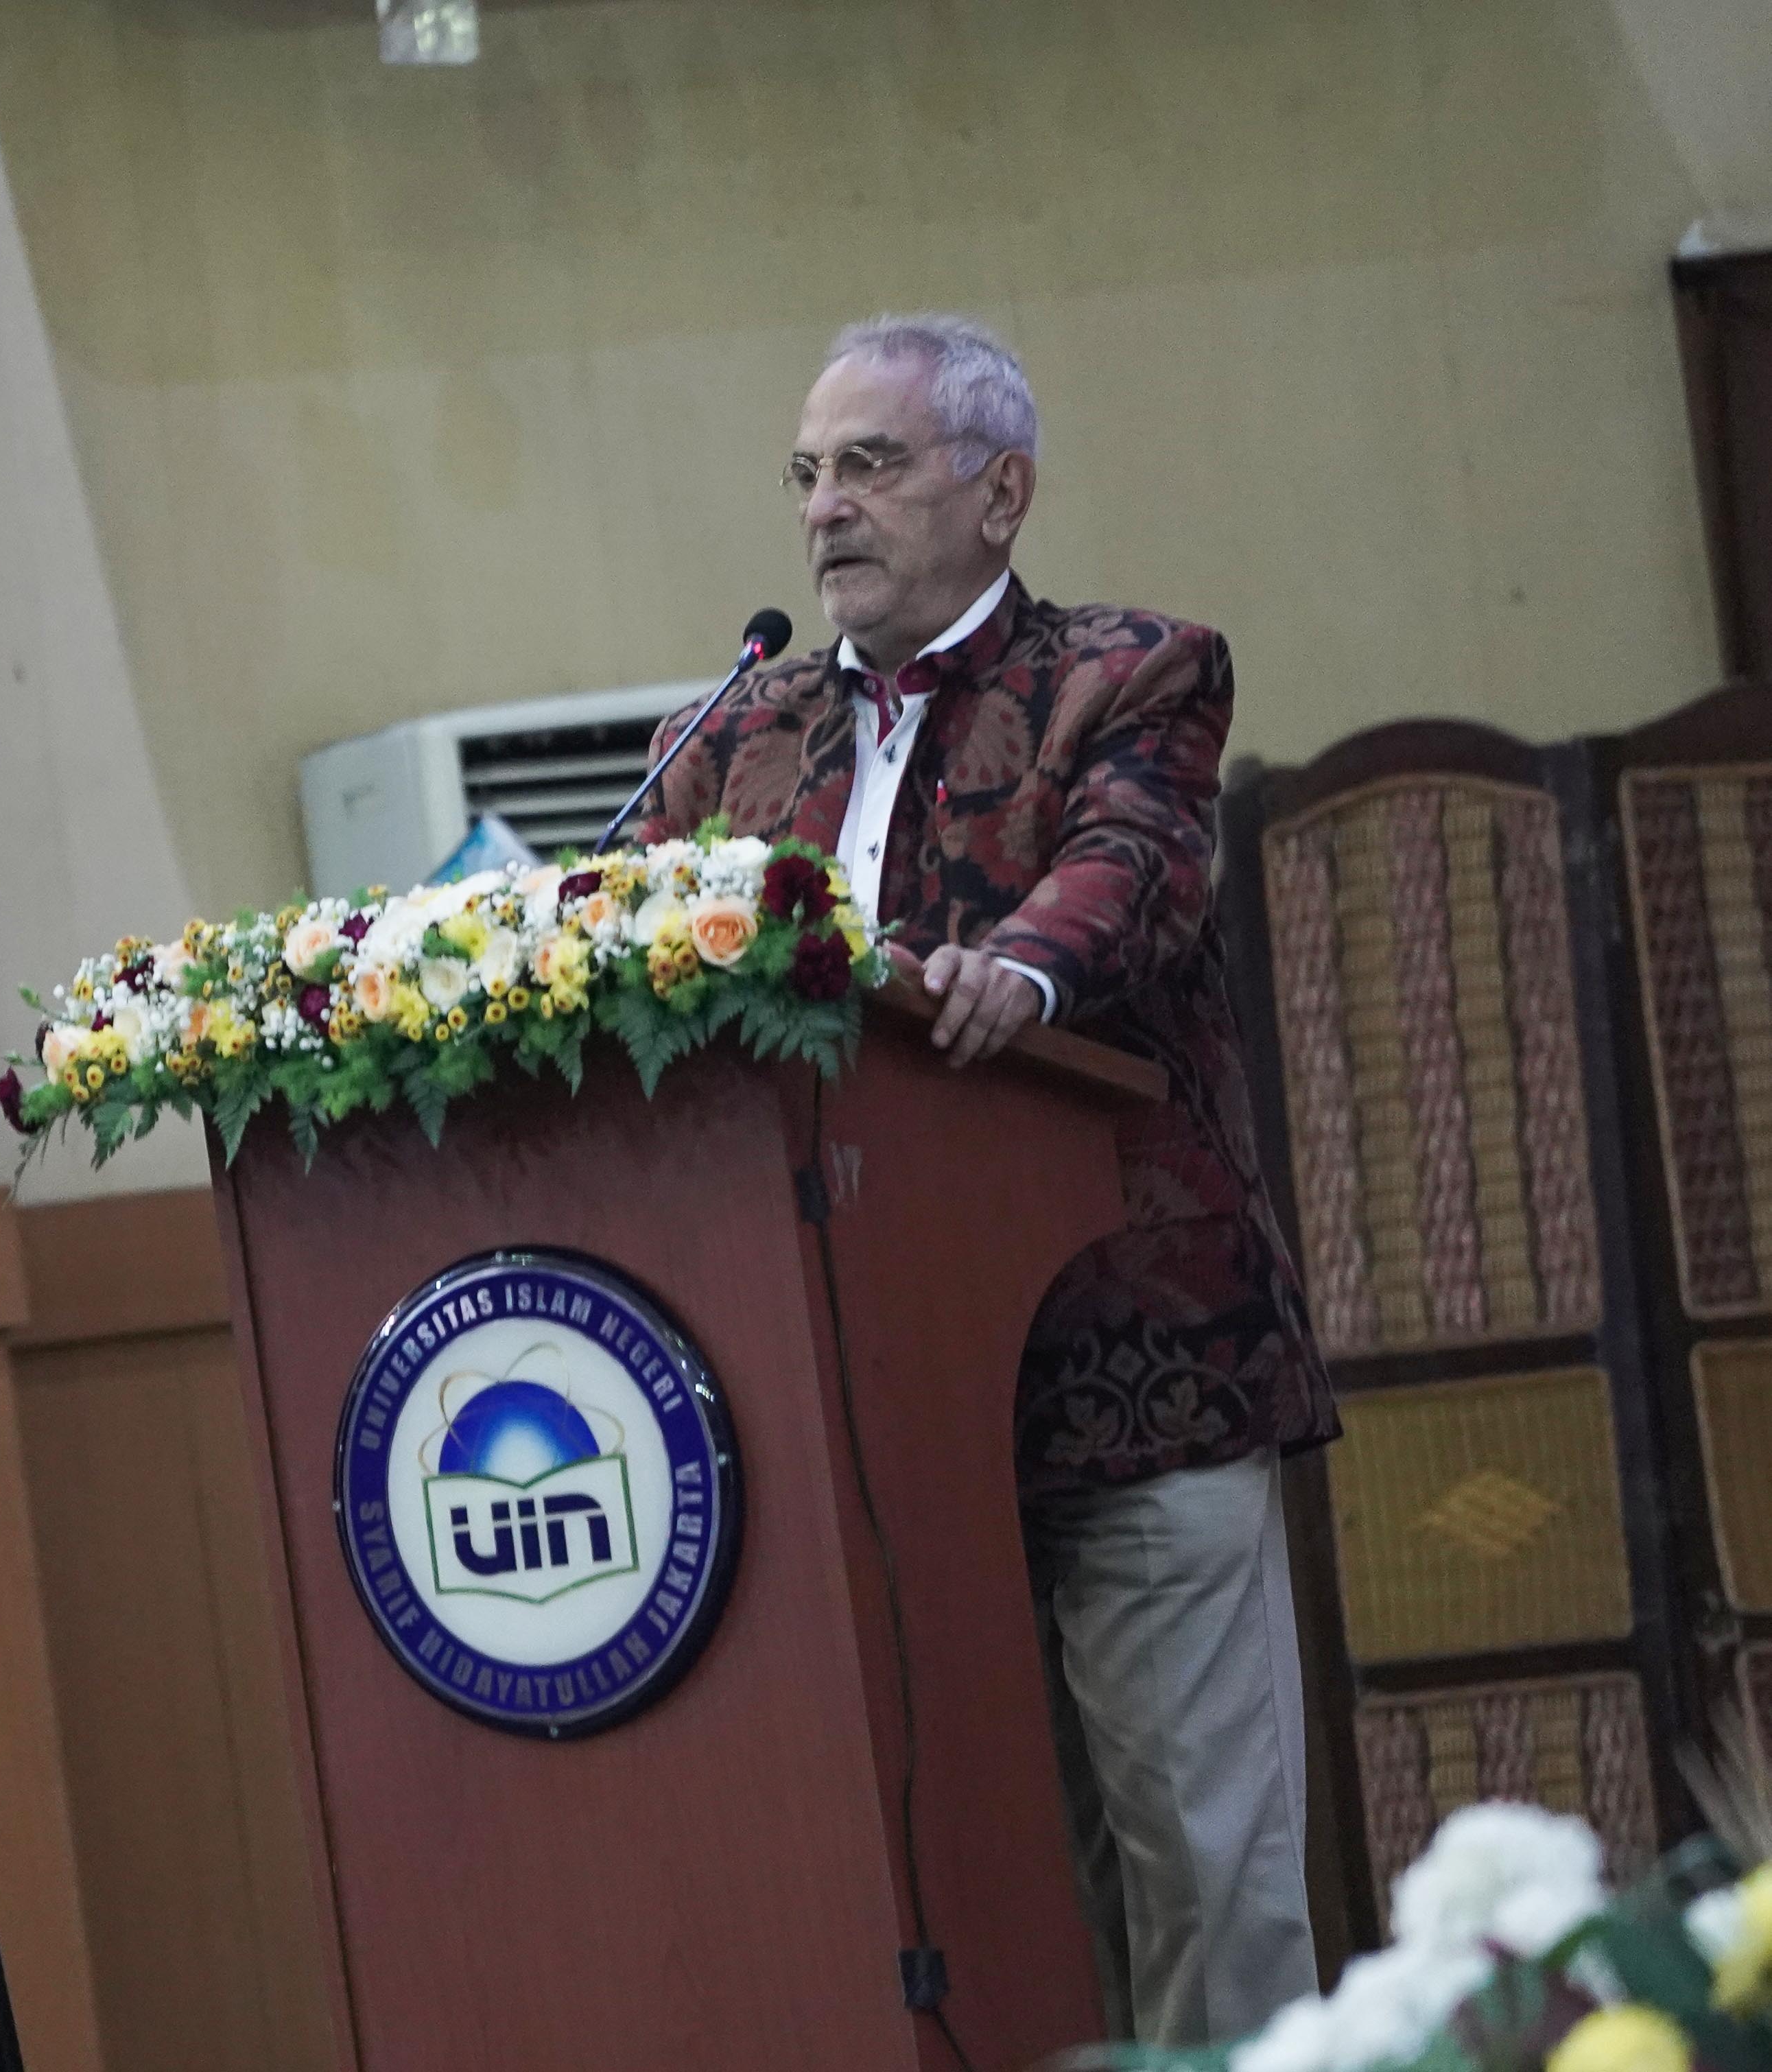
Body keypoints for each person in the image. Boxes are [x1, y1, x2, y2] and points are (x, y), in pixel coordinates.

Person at [639, 314, 1334, 2044]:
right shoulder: (733, 737)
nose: (822, 510)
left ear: (999, 490)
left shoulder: (1130, 673)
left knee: (1202, 1881)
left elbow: (1130, 872)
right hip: (878, 1426)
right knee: (999, 1890)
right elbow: (635, 946)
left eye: (868, 464)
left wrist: (1010, 975)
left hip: (1134, 1378)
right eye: (805, 473)